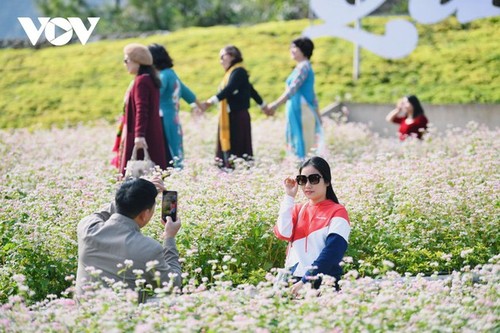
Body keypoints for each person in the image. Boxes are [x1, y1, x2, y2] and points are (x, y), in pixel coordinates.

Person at [76, 177, 182, 300]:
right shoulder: (148, 248)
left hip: (83, 314)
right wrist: (169, 238)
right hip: (123, 316)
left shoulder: (87, 228)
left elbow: (102, 213)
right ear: (145, 214)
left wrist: (131, 192)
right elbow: (172, 286)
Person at [274, 156, 351, 296]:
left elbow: (332, 253)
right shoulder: (297, 209)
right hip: (293, 281)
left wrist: (306, 280)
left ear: (327, 181)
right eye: (303, 180)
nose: (307, 185)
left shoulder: (338, 212)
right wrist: (289, 197)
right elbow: (282, 233)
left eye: (314, 179)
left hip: (322, 283)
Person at [202, 45, 268, 168]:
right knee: (233, 146)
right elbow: (251, 90)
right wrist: (263, 106)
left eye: (223, 57)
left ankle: (236, 170)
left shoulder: (239, 71)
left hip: (237, 115)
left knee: (238, 146)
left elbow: (229, 89)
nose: (221, 61)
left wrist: (210, 102)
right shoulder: (233, 72)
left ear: (232, 56)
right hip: (230, 115)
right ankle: (229, 169)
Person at [114, 43, 168, 177]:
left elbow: (141, 110)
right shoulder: (150, 79)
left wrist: (139, 135)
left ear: (138, 62)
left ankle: (137, 199)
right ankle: (168, 199)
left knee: (136, 177)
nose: (125, 64)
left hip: (143, 134)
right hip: (152, 132)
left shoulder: (141, 81)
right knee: (158, 172)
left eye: (126, 60)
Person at [148, 43, 203, 169]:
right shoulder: (171, 74)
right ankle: (178, 170)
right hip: (174, 117)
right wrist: (201, 106)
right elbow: (188, 93)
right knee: (175, 145)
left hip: (163, 117)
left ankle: (170, 171)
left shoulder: (163, 76)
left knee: (166, 148)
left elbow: (156, 93)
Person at [268, 37, 323, 160]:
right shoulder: (302, 67)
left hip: (302, 110)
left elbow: (292, 89)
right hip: (298, 109)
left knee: (302, 142)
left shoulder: (304, 67)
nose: (291, 50)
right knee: (299, 141)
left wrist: (275, 105)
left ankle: (303, 174)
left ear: (303, 50)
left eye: (294, 47)